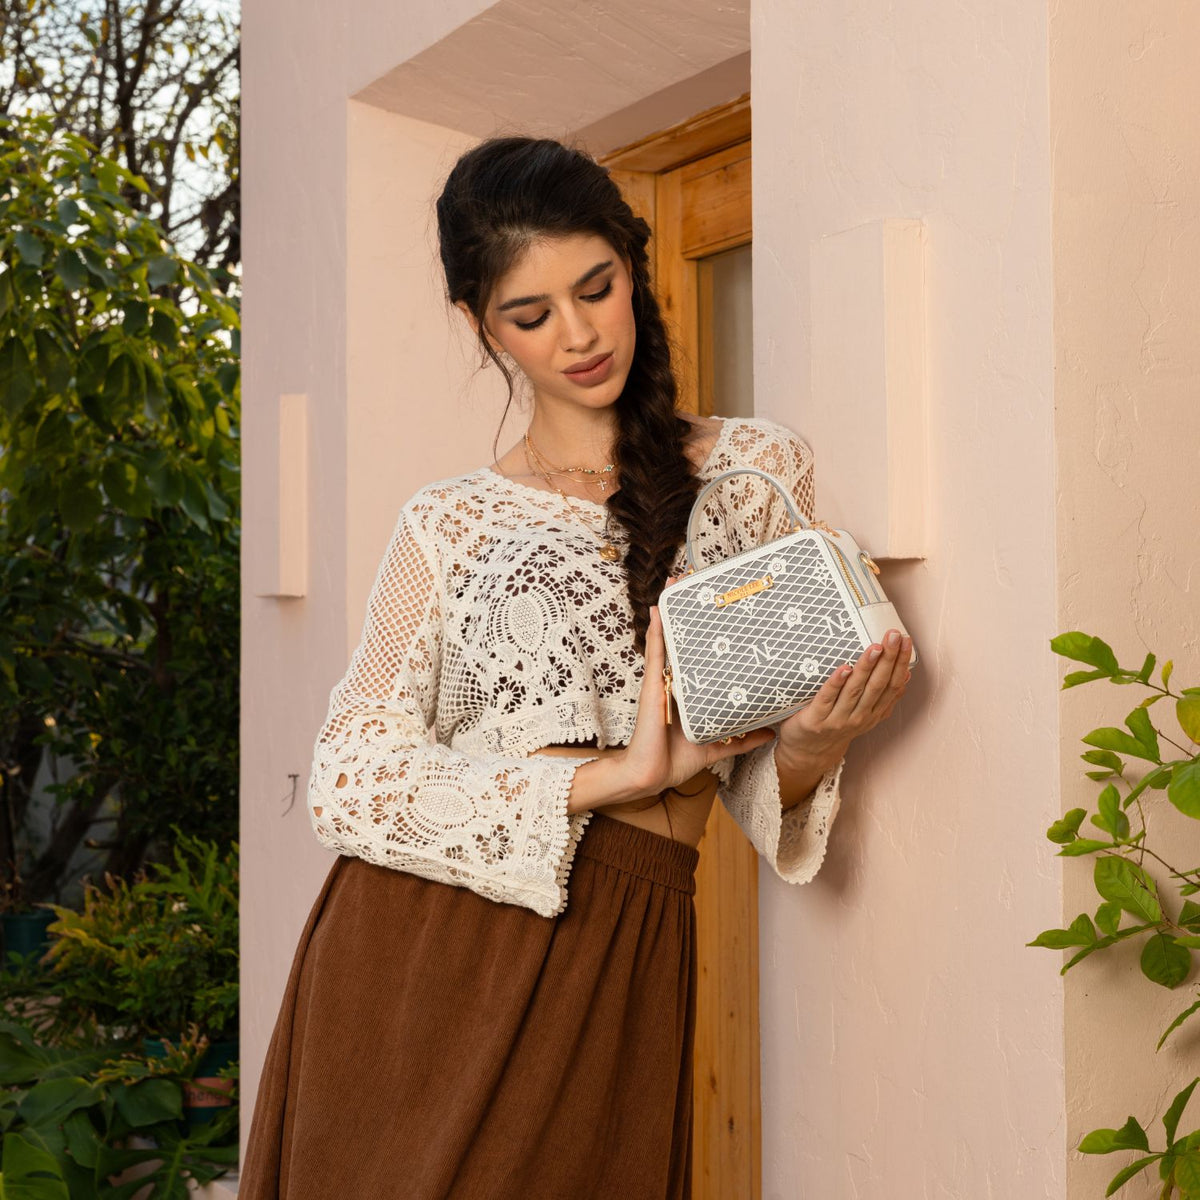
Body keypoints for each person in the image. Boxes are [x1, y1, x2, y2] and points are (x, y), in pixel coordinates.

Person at [238, 134, 913, 1200]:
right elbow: (349, 778)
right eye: (530, 313)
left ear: (631, 265)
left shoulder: (754, 472)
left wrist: (817, 740)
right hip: (423, 947)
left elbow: (742, 772)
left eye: (595, 287)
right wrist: (614, 778)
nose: (579, 333)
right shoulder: (449, 523)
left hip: (629, 929)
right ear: (479, 324)